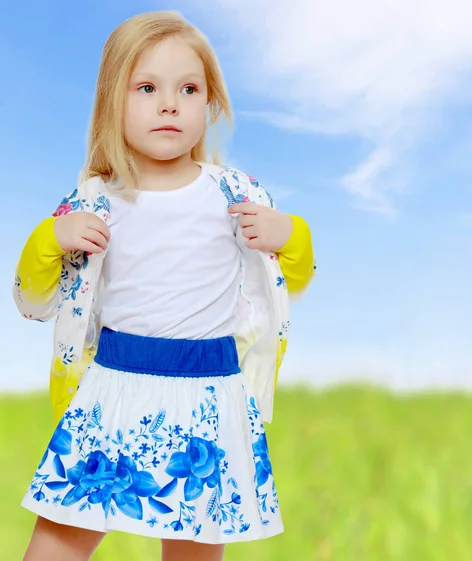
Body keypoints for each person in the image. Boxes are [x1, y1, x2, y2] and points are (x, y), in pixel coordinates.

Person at [13, 10, 315, 561]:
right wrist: (51, 237)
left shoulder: (237, 194)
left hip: (208, 392)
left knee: (195, 546)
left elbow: (287, 285)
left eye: (189, 88)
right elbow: (33, 300)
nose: (170, 103)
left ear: (211, 105)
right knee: (59, 536)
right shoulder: (95, 200)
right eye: (147, 87)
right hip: (115, 384)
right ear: (112, 103)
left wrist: (290, 235)